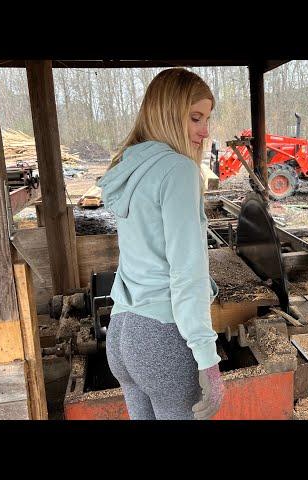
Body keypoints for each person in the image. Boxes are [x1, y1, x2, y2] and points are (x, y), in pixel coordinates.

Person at [98, 68, 225, 420]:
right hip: (162, 337)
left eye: (207, 118)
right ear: (168, 114)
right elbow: (188, 273)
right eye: (195, 117)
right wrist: (208, 360)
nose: (205, 130)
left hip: (123, 331)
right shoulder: (178, 171)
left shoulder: (132, 167)